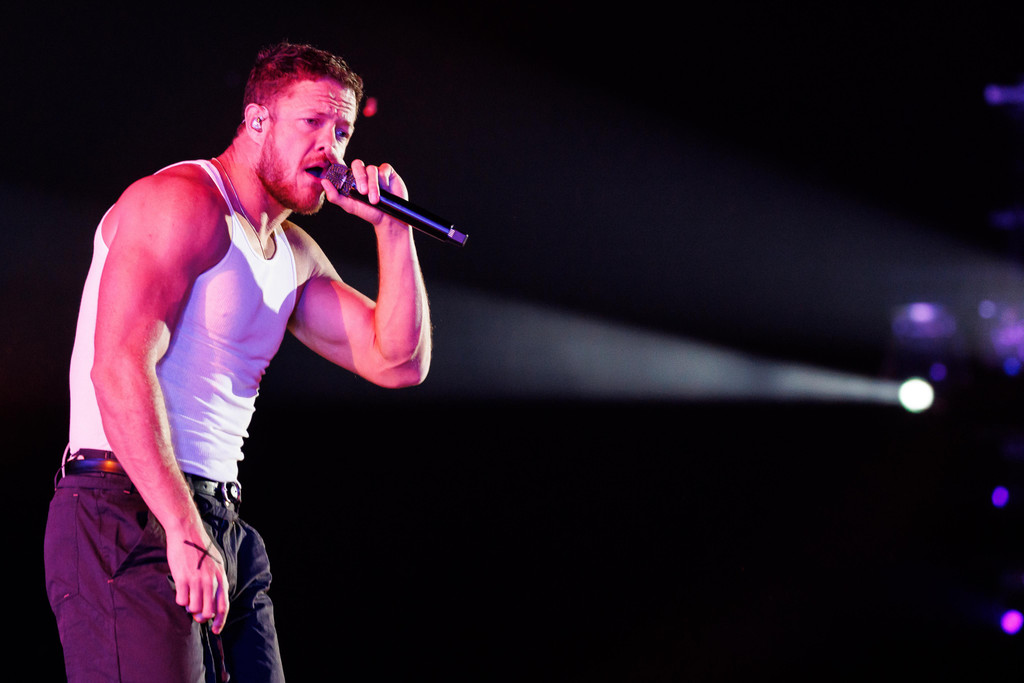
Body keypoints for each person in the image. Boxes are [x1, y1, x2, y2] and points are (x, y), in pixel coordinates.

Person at [43, 41, 432, 682]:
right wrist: (182, 528)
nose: (331, 148)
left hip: (218, 517)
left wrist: (393, 230)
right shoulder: (183, 202)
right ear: (257, 120)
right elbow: (117, 367)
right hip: (125, 506)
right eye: (312, 122)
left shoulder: (292, 253)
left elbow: (398, 360)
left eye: (342, 131)